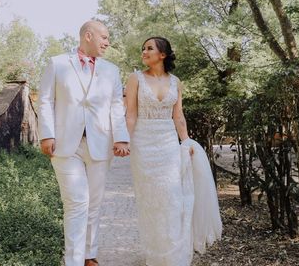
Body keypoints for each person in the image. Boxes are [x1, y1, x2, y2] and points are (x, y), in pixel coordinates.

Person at [38, 20, 130, 266]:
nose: (108, 42)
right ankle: (74, 261)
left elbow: (116, 105)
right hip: (66, 146)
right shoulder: (57, 64)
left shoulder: (111, 70)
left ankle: (90, 255)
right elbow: (46, 100)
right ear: (88, 36)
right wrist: (46, 134)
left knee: (94, 203)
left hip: (100, 144)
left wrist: (121, 137)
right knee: (77, 202)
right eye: (104, 37)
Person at [125, 36, 221, 266]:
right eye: (143, 49)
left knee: (172, 199)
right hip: (143, 143)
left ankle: (174, 255)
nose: (144, 52)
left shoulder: (176, 82)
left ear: (163, 54)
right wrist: (124, 140)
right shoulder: (135, 78)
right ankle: (156, 255)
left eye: (149, 48)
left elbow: (178, 116)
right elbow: (130, 114)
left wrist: (186, 142)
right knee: (150, 201)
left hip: (168, 143)